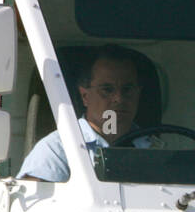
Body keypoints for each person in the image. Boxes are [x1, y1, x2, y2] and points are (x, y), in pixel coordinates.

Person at [18, 45, 153, 182]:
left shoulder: (154, 149)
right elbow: (38, 202)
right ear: (85, 96)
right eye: (107, 89)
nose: (119, 98)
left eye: (127, 89)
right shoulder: (56, 150)